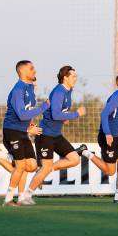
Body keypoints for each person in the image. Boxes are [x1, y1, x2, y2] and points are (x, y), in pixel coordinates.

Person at [18, 65, 86, 205]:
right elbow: (55, 114)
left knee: (74, 159)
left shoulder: (68, 90)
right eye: (73, 76)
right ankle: (26, 195)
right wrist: (76, 114)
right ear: (65, 77)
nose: (75, 78)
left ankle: (46, 169)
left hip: (56, 135)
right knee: (46, 167)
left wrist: (65, 117)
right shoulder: (59, 91)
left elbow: (57, 112)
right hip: (45, 135)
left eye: (75, 76)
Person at [81, 72, 118, 203]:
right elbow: (104, 114)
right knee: (110, 171)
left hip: (115, 136)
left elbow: (115, 122)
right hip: (108, 137)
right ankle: (85, 152)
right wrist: (107, 133)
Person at [1, 60, 49, 206]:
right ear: (23, 71)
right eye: (31, 68)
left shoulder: (29, 89)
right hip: (12, 131)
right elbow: (22, 114)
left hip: (22, 131)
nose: (34, 70)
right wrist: (44, 106)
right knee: (21, 166)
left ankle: (21, 197)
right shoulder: (18, 89)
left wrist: (29, 126)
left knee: (32, 166)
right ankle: (8, 199)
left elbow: (26, 114)